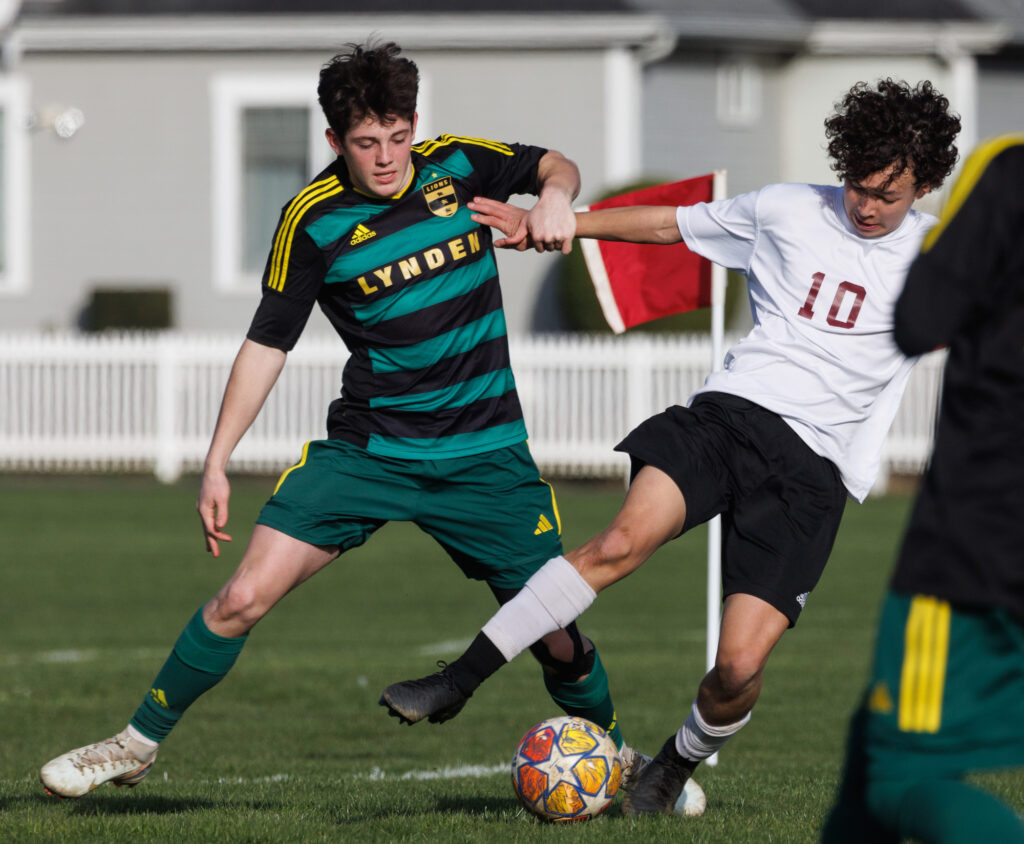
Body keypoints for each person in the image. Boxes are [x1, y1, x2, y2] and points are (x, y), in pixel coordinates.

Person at [39, 40, 647, 799]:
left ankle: (621, 763)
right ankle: (133, 743)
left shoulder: (456, 164)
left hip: (487, 459)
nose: (388, 157)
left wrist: (556, 198)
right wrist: (217, 461)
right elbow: (267, 345)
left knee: (556, 637)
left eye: (399, 136)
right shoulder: (312, 221)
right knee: (240, 596)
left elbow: (556, 165)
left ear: (414, 125)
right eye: (367, 143)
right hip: (370, 454)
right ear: (335, 141)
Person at [379, 78, 962, 816]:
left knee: (738, 668)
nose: (866, 204)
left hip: (812, 474)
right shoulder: (787, 207)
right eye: (857, 183)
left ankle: (671, 768)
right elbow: (666, 226)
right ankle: (455, 681)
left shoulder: (945, 259)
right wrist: (550, 225)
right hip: (729, 417)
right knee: (620, 542)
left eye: (888, 192)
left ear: (926, 182)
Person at [820, 135, 1024, 843]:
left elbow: (919, 322)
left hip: (985, 539)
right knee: (870, 739)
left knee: (901, 775)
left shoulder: (1010, 167)